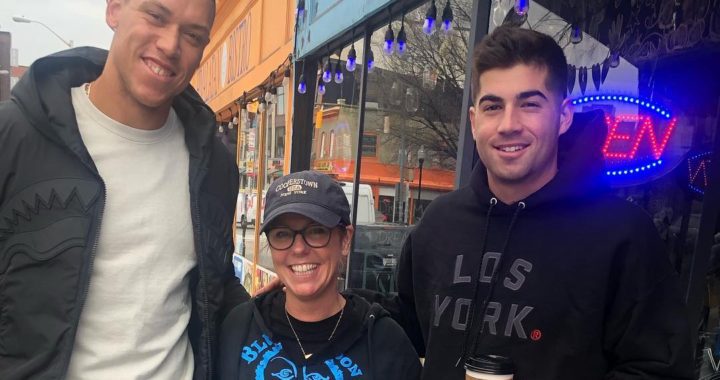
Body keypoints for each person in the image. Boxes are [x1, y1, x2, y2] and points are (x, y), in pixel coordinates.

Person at [353, 26, 694, 379]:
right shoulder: (438, 224)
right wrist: (328, 298)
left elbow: (659, 370)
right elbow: (410, 329)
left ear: (563, 116)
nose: (508, 124)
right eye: (492, 106)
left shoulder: (623, 234)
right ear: (473, 121)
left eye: (529, 104)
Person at [0, 0, 249, 379]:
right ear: (114, 9)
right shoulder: (16, 136)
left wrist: (284, 313)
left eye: (193, 35)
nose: (170, 45)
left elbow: (214, 287)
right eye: (156, 16)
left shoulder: (214, 165)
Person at [219, 171, 421, 379]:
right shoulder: (240, 327)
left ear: (345, 240)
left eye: (316, 231)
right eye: (282, 234)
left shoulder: (385, 342)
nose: (298, 249)